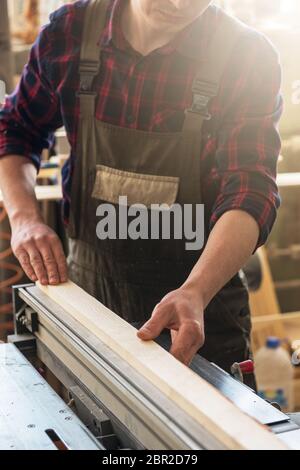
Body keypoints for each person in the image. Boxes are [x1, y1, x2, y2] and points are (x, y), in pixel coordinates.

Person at [0, 0, 282, 379]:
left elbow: (250, 189)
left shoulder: (245, 56)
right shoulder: (70, 31)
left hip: (198, 311)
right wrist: (23, 219)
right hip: (89, 301)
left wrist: (195, 290)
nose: (181, 4)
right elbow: (15, 130)